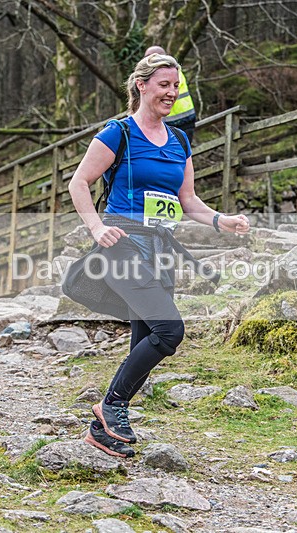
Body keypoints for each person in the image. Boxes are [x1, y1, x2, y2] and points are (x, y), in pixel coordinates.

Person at [67, 53, 250, 458]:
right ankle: (112, 405)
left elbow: (187, 200)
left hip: (160, 251)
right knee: (170, 331)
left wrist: (222, 221)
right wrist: (96, 227)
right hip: (123, 246)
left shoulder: (180, 140)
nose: (171, 92)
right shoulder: (120, 133)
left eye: (176, 86)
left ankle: (104, 430)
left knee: (146, 336)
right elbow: (79, 182)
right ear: (142, 86)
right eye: (164, 84)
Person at [144, 45, 196, 143]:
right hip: (181, 118)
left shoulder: (170, 73)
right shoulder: (175, 71)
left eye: (150, 58)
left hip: (177, 121)